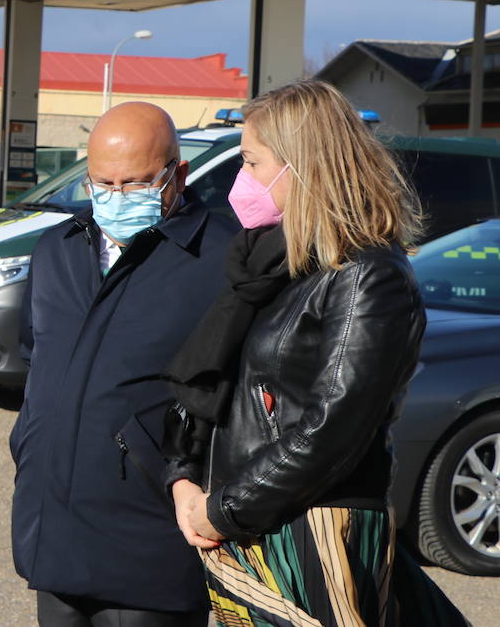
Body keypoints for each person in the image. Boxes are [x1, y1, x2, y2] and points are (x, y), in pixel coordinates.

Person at [164, 80, 468, 625]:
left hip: (308, 531)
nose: (242, 181)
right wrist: (185, 479)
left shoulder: (367, 275)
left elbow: (335, 426)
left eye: (253, 162)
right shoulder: (273, 264)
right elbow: (219, 388)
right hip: (248, 524)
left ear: (302, 166)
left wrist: (223, 510)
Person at [10, 101, 238, 626]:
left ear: (176, 175)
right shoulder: (57, 249)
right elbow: (36, 358)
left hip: (150, 544)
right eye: (101, 184)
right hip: (54, 535)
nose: (115, 199)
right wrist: (27, 442)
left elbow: (233, 394)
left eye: (134, 185)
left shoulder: (220, 260)